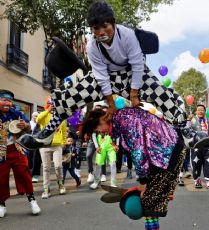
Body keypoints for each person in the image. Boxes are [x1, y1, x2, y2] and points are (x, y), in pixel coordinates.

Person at [17, 1, 187, 150]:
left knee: (163, 93)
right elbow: (100, 75)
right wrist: (110, 103)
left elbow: (137, 64)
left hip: (132, 74)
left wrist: (134, 94)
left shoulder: (128, 35)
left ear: (113, 23)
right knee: (73, 94)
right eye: (96, 28)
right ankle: (47, 133)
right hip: (107, 76)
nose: (101, 32)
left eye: (105, 26)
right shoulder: (92, 45)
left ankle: (186, 130)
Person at [83, 106, 185, 229]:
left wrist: (143, 181)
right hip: (167, 151)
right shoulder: (121, 117)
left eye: (96, 128)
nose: (99, 132)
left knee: (148, 205)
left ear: (103, 119)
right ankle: (162, 195)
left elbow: (139, 151)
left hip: (166, 154)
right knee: (152, 200)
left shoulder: (124, 120)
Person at [0, 89, 41, 217]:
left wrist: (25, 126)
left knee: (24, 174)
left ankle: (32, 200)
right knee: (0, 178)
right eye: (4, 100)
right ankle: (1, 204)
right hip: (1, 151)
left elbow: (29, 127)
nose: (7, 103)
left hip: (17, 148)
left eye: (10, 100)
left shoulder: (17, 113)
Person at [37, 97, 68, 198]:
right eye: (50, 104)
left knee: (58, 166)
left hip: (57, 146)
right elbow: (38, 119)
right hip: (44, 146)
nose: (53, 106)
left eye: (54, 105)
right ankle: (46, 189)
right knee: (46, 168)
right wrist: (47, 110)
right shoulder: (44, 115)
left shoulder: (61, 117)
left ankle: (61, 184)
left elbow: (64, 132)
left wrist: (63, 143)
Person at [82, 109, 118, 189]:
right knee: (98, 164)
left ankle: (113, 182)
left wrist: (116, 145)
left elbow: (117, 134)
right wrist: (97, 146)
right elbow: (94, 135)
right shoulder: (96, 124)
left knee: (113, 164)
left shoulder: (112, 123)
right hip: (101, 147)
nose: (99, 129)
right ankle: (96, 181)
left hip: (110, 146)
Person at [190, 104, 209, 190]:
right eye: (198, 110)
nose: (200, 111)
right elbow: (187, 131)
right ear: (196, 111)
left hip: (207, 145)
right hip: (196, 145)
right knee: (196, 163)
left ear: (205, 111)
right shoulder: (191, 120)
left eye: (202, 110)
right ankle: (197, 180)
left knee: (208, 163)